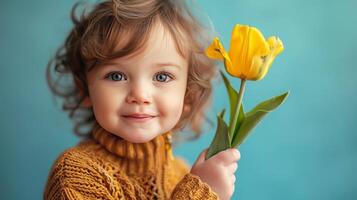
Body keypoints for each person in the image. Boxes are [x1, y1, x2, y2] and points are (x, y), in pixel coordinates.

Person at [44, 0, 241, 199]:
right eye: (116, 76)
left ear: (187, 95)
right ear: (85, 90)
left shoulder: (182, 173)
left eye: (162, 77)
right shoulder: (76, 173)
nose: (139, 95)